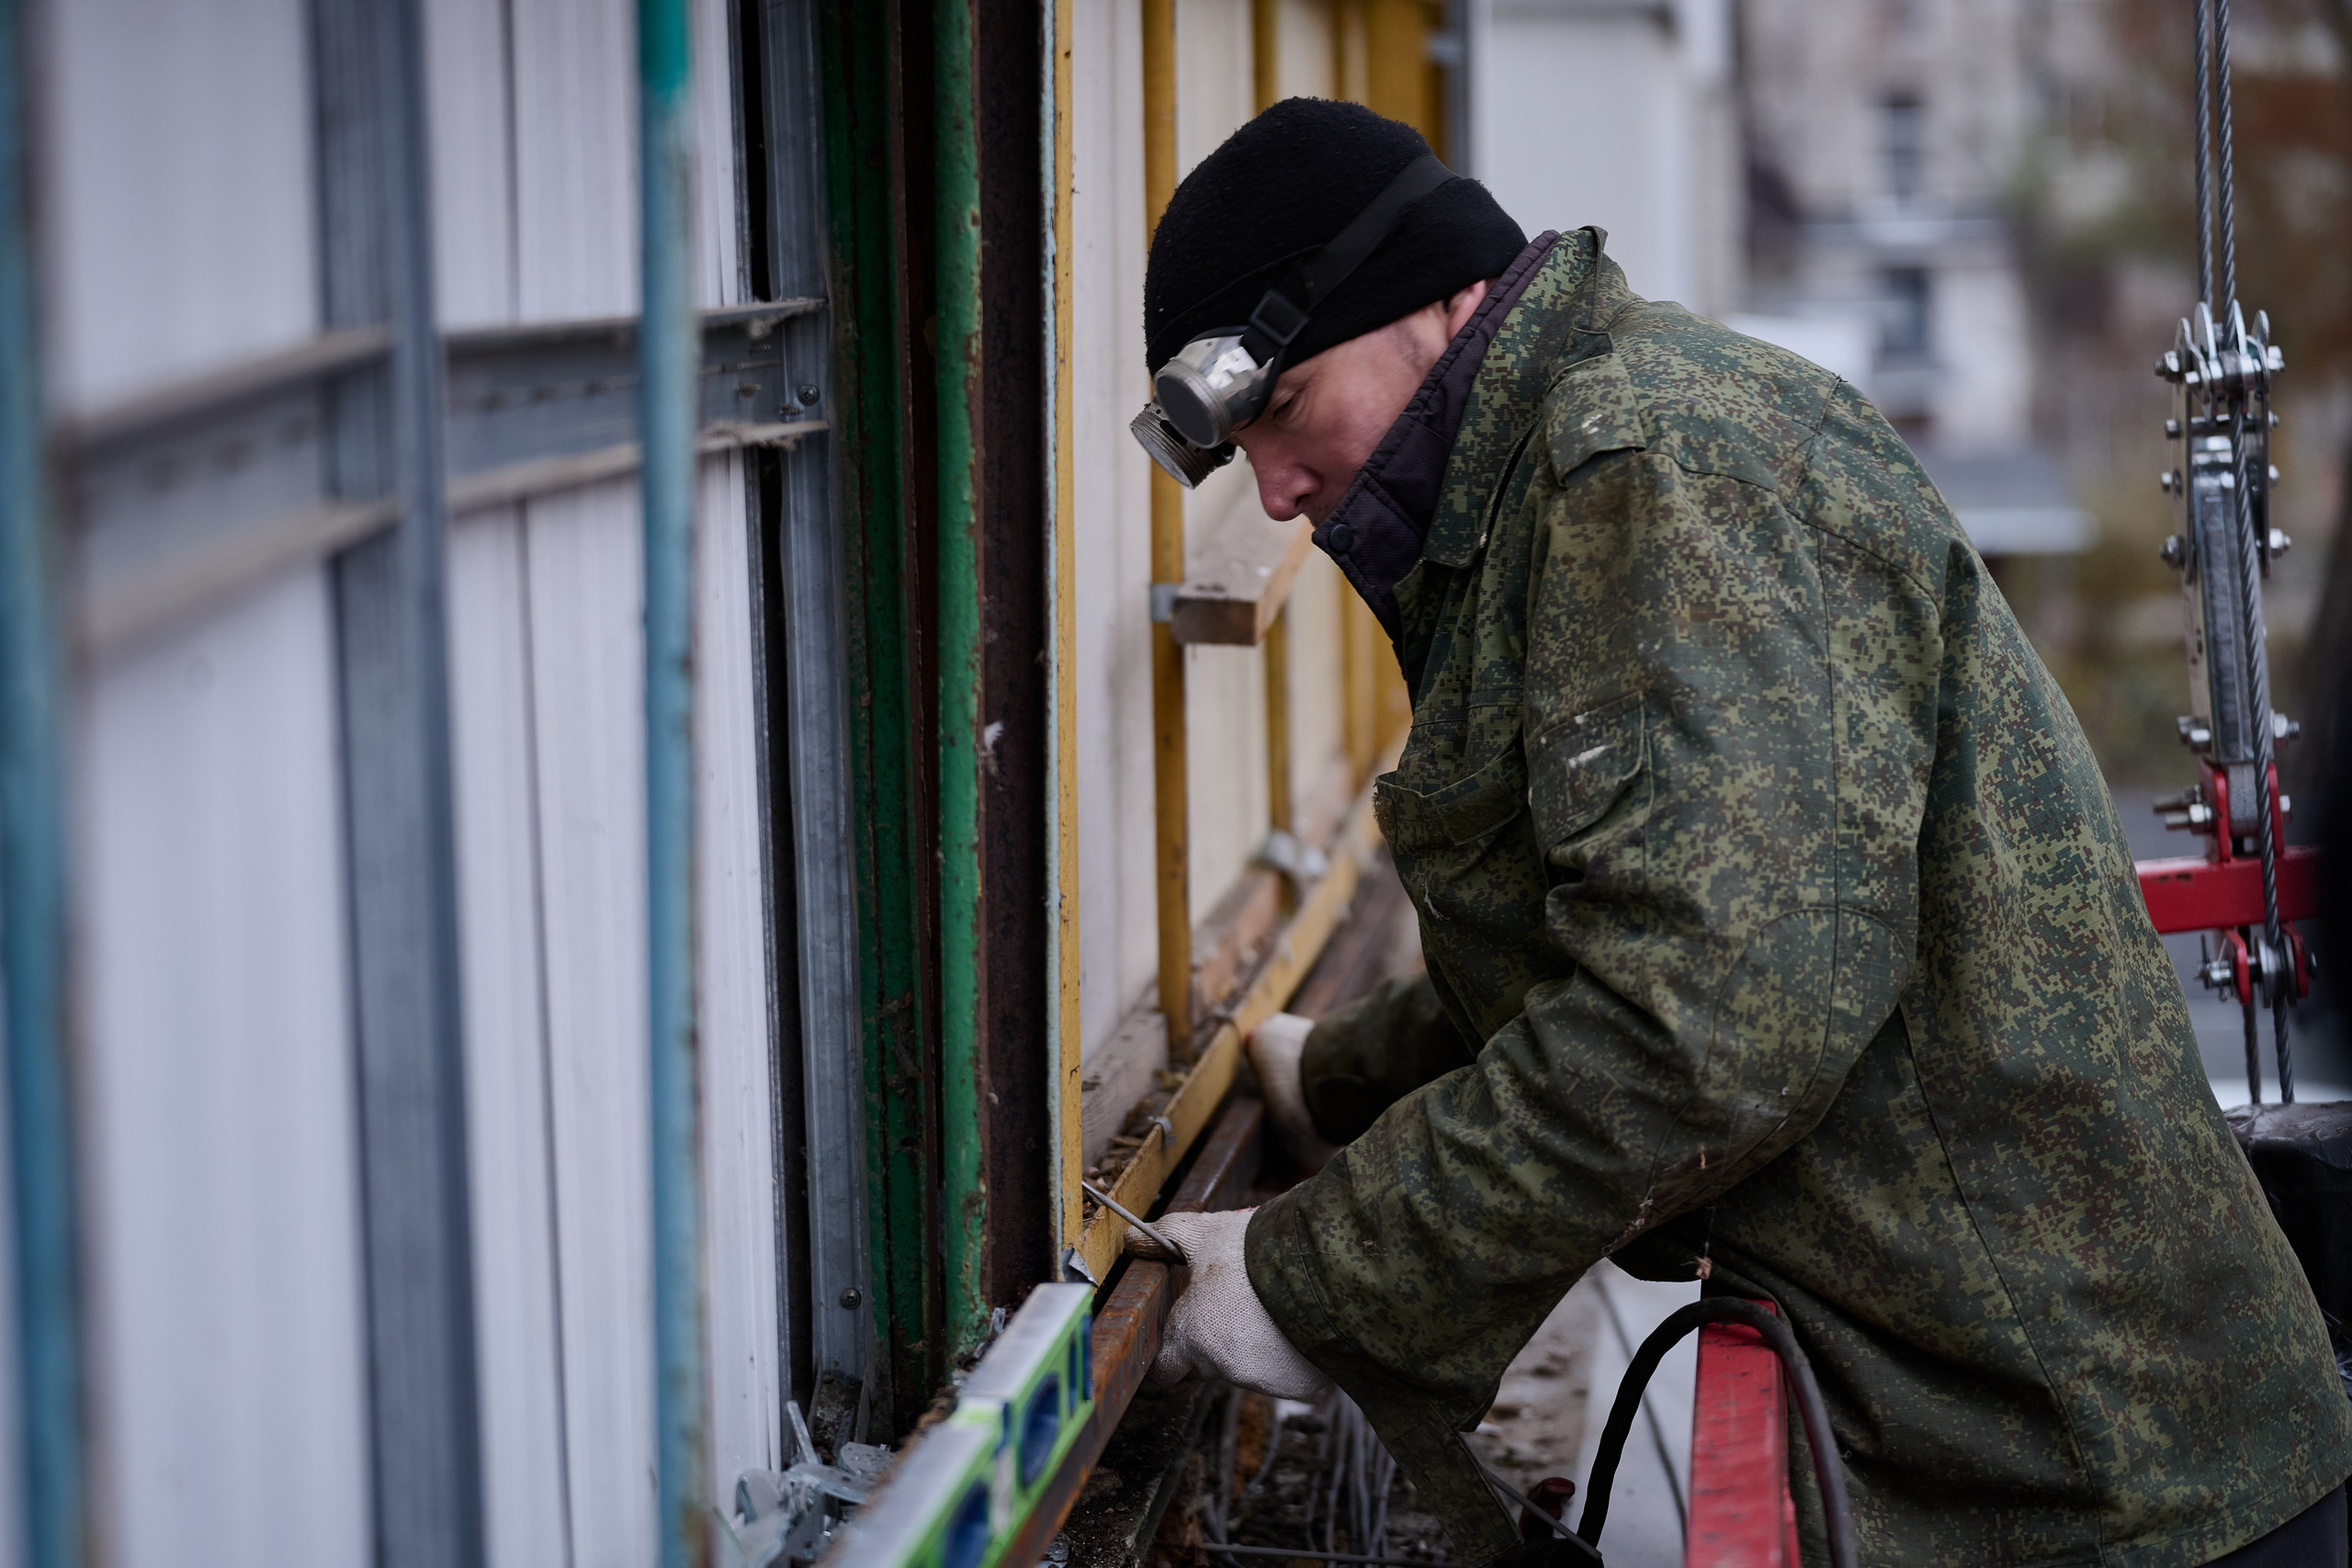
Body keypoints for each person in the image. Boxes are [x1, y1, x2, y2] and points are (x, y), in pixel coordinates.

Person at [1123, 99, 2352, 1566]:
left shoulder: (1660, 467)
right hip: (2010, 1435)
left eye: (1286, 407)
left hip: (2099, 1474)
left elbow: (1704, 1018)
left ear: (1435, 300)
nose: (1275, 492)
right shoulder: (1562, 472)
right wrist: (1336, 1075)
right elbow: (1623, 923)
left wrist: (1320, 1275)